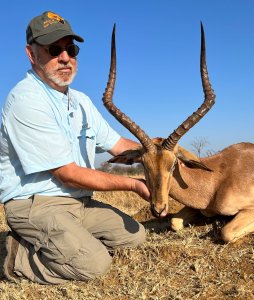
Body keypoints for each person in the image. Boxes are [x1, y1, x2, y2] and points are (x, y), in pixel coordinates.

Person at [0, 11, 150, 284]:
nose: (65, 57)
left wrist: (157, 150)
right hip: (35, 205)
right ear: (31, 54)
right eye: (54, 49)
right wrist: (133, 185)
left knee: (135, 236)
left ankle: (65, 241)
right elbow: (67, 173)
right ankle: (14, 256)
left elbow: (118, 146)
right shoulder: (25, 100)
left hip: (78, 202)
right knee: (94, 265)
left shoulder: (79, 101)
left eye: (71, 49)